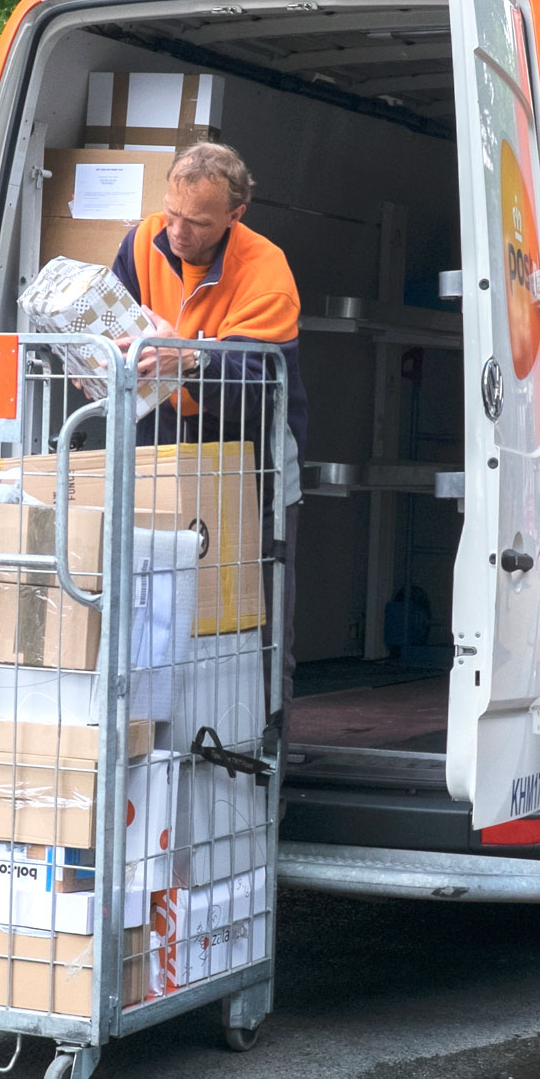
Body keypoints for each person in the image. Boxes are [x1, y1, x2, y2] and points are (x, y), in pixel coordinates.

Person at [107, 141, 308, 717]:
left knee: (259, 635)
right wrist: (94, 364)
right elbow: (114, 324)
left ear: (235, 216)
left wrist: (189, 358)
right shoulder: (142, 241)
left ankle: (264, 777)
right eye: (171, 213)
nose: (177, 232)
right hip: (159, 459)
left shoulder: (266, 271)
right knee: (153, 627)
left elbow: (256, 381)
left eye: (196, 222)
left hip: (249, 471)